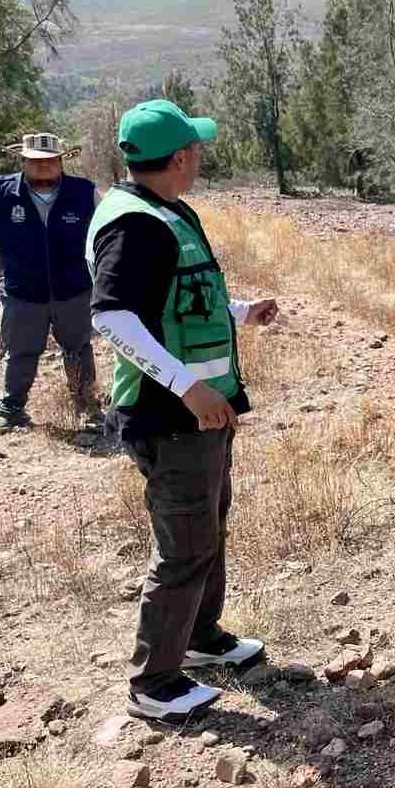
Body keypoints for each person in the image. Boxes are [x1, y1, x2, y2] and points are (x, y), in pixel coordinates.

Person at [87, 99, 280, 721]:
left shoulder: (164, 211)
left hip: (199, 410)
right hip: (170, 416)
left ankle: (199, 639)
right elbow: (113, 316)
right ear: (177, 158)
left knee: (206, 527)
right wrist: (186, 387)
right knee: (185, 543)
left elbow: (177, 299)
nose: (199, 156)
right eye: (194, 149)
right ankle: (155, 684)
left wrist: (240, 311)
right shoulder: (134, 225)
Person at [0, 133, 100, 434]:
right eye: (35, 161)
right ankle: (12, 410)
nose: (43, 166)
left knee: (79, 349)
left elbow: (103, 229)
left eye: (50, 160)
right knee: (20, 352)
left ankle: (88, 409)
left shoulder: (85, 192)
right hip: (22, 293)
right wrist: (9, 249)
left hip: (74, 291)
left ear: (61, 161)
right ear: (23, 161)